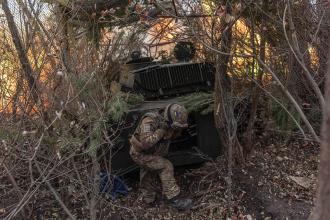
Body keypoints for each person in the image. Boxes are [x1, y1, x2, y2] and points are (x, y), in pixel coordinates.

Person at [129, 103, 192, 210]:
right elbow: (146, 143)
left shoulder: (170, 122)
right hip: (140, 154)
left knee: (148, 173)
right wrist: (161, 130)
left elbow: (173, 135)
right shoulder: (150, 120)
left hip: (153, 153)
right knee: (166, 166)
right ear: (169, 119)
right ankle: (174, 199)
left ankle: (149, 200)